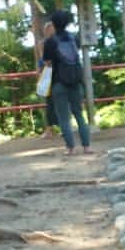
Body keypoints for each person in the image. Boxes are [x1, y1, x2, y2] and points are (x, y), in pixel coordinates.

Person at [42, 9, 92, 156]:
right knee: (79, 114)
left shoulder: (50, 42)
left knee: (64, 117)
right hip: (75, 82)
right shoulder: (74, 39)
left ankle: (70, 148)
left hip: (59, 82)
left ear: (54, 24)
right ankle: (87, 147)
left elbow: (48, 63)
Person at [36, 20, 58, 138]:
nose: (48, 31)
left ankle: (63, 127)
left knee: (61, 101)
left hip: (58, 74)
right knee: (50, 103)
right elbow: (43, 60)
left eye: (50, 29)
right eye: (47, 30)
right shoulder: (43, 43)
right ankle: (49, 129)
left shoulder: (58, 42)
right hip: (49, 75)